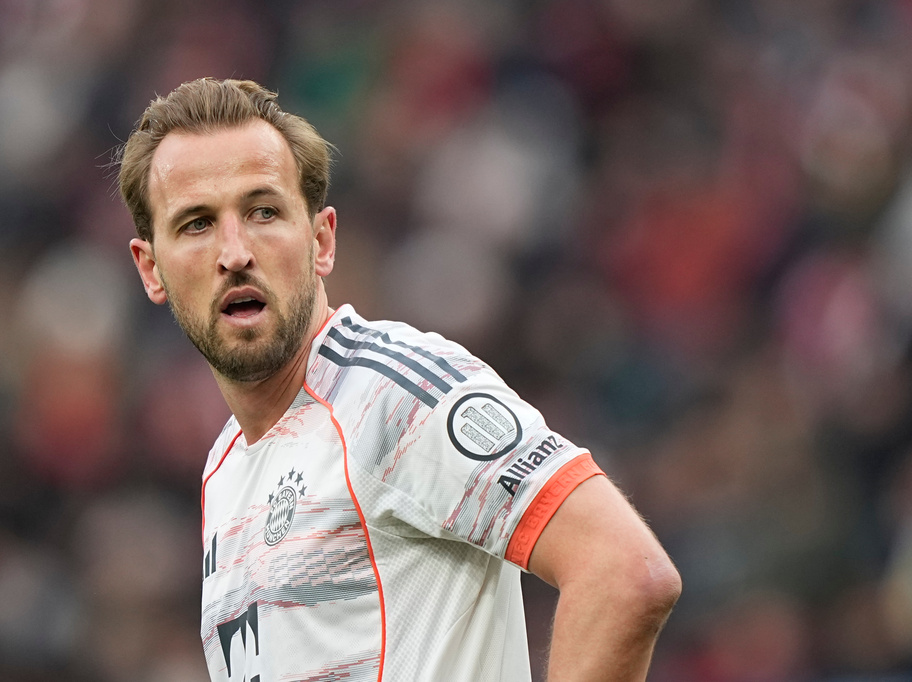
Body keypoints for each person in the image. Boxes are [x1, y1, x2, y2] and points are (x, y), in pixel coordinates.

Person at [118, 77, 681, 682]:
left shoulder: (394, 394)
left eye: (263, 212)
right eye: (197, 224)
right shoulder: (225, 468)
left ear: (321, 240)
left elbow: (624, 572)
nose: (235, 251)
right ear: (151, 269)